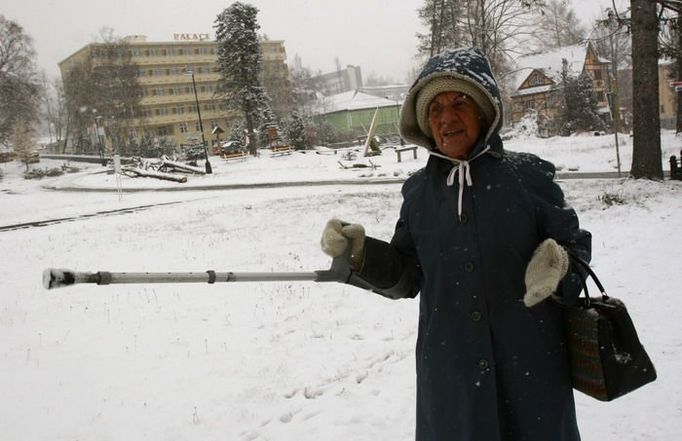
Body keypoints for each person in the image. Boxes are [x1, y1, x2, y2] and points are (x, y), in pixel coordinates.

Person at [320, 48, 591, 441]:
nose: (447, 116)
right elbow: (406, 275)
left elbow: (574, 244)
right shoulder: (417, 194)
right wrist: (360, 253)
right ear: (425, 124)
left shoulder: (527, 177)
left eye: (460, 102)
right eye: (435, 109)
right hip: (450, 377)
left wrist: (559, 264)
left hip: (530, 368)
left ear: (484, 111)